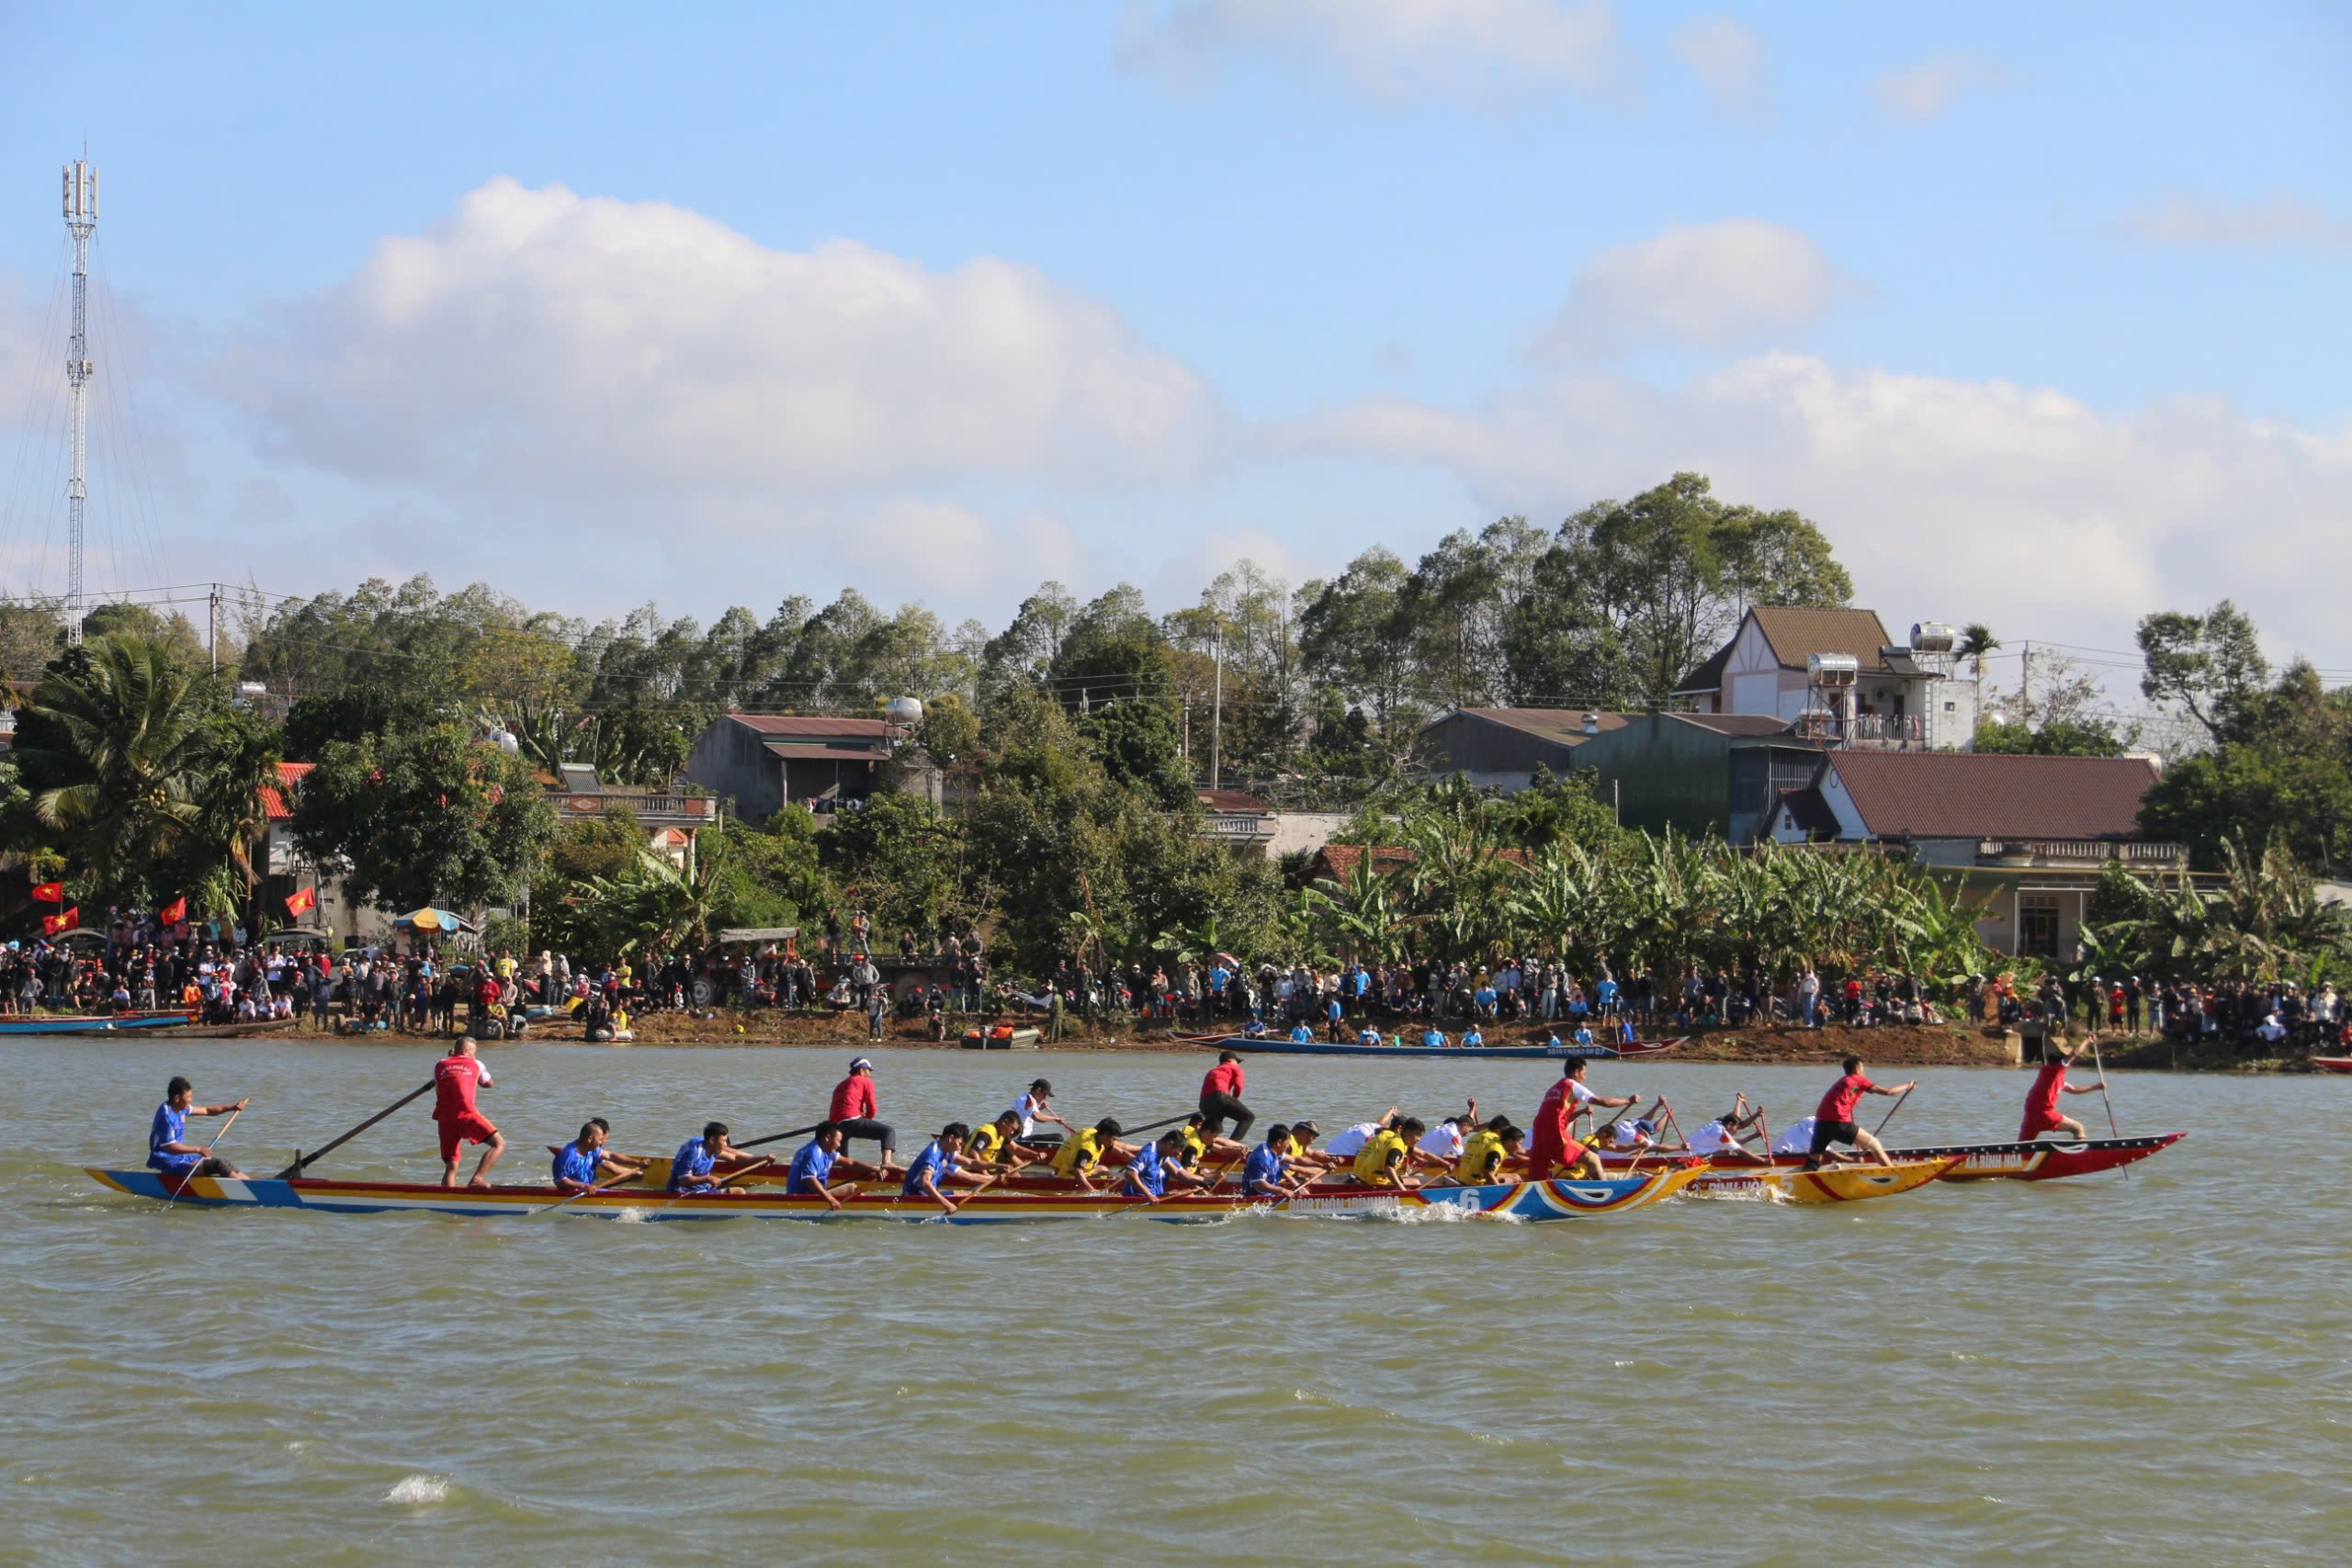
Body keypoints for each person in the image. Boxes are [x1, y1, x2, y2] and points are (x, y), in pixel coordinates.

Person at [1526, 1059, 1637, 1180]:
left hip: (1538, 1135)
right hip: (1556, 1135)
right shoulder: (1572, 1085)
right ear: (1576, 1072)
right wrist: (1627, 1101)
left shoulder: (1553, 1089)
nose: (1584, 1078)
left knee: (1537, 1178)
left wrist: (1581, 1112)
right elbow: (1602, 1101)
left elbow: (1561, 1117)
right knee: (1593, 1159)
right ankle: (1602, 1192)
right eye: (1584, 1074)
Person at [1805, 1056, 1916, 1169]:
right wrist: (1908, 1086)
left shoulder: (1843, 1081)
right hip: (1837, 1122)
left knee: (1815, 1157)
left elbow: (1844, 1096)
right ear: (1857, 1070)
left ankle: (1807, 1175)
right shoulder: (1858, 1079)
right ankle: (1892, 1172)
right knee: (1874, 1143)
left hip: (1821, 1122)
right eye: (1863, 1068)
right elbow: (1888, 1092)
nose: (1864, 1071)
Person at [433, 1036, 506, 1188]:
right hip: (466, 1114)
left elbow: (441, 1085)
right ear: (466, 1051)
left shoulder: (439, 1065)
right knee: (499, 1144)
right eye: (474, 1052)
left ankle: (446, 1200)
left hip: (444, 1118)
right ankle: (477, 1179)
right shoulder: (476, 1063)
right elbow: (488, 1084)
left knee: (451, 1167)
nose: (475, 1055)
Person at [147, 1077, 250, 1185]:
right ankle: (251, 1190)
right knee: (218, 1165)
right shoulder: (166, 1116)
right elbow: (170, 1147)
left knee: (226, 1163)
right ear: (177, 1098)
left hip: (181, 1158)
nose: (191, 1100)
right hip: (169, 1163)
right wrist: (198, 1149)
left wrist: (232, 1107)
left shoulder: (181, 1108)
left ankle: (252, 1183)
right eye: (188, 1097)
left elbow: (207, 1110)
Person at [2020, 1043, 2108, 1141]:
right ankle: (2079, 1154)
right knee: (2078, 1128)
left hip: (2030, 1117)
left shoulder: (2048, 1075)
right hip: (2046, 1114)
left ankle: (2018, 1156)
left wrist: (2096, 1087)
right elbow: (2075, 1053)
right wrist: (2088, 1040)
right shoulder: (2056, 1070)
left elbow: (2074, 1089)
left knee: (2020, 1149)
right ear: (2060, 1062)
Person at [829, 1056, 899, 1175]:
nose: (870, 1074)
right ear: (861, 1071)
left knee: (842, 1162)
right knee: (888, 1132)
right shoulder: (866, 1082)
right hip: (852, 1120)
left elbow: (835, 1109)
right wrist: (866, 1121)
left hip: (837, 1125)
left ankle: (837, 1172)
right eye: (869, 1071)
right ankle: (887, 1161)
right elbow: (872, 1108)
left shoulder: (841, 1084)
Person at [902, 1123, 987, 1214]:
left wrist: (993, 1177)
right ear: (951, 1139)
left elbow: (970, 1173)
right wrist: (947, 1204)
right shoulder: (934, 1155)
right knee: (966, 1194)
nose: (960, 1149)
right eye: (960, 1144)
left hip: (923, 1193)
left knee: (965, 1193)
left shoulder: (946, 1154)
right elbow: (925, 1183)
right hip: (916, 1197)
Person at [786, 1122, 870, 1210]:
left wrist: (874, 1169)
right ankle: (869, 1210)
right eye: (838, 1141)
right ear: (827, 1138)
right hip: (801, 1199)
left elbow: (851, 1163)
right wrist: (830, 1199)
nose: (839, 1145)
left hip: (812, 1195)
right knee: (852, 1188)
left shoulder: (826, 1151)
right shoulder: (813, 1152)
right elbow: (809, 1179)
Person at [551, 1120, 642, 1194]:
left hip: (585, 1190)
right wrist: (583, 1186)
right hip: (570, 1193)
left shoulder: (592, 1149)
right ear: (590, 1139)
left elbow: (610, 1156)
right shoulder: (567, 1155)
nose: (601, 1143)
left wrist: (637, 1163)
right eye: (599, 1139)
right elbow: (559, 1181)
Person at [1049, 1117, 1130, 1191]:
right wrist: (1092, 1190)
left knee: (1103, 1169)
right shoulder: (1087, 1149)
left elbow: (1121, 1152)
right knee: (1104, 1173)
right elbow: (1077, 1170)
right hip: (1069, 1176)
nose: (1114, 1142)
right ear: (1105, 1135)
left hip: (1063, 1166)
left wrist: (1137, 1160)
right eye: (1113, 1139)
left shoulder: (1095, 1133)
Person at [670, 1121, 749, 1193]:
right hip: (684, 1193)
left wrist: (760, 1160)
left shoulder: (713, 1147)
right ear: (712, 1140)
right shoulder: (693, 1152)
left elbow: (735, 1156)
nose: (725, 1145)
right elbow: (683, 1181)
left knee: (740, 1191)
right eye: (723, 1141)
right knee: (740, 1192)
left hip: (704, 1189)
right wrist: (708, 1179)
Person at [1350, 1116, 1426, 1189]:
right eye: (1417, 1135)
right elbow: (1389, 1169)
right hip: (1377, 1180)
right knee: (1416, 1181)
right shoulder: (1397, 1145)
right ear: (1404, 1130)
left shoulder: (1392, 1138)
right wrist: (1402, 1189)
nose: (1419, 1139)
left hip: (1366, 1175)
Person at [1121, 1130, 1190, 1203]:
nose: (1179, 1154)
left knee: (1188, 1193)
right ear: (1169, 1144)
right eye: (1177, 1151)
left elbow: (1180, 1174)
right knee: (1189, 1195)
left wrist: (1164, 1195)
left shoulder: (1165, 1156)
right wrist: (1149, 1194)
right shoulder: (1149, 1153)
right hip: (1136, 1200)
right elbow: (1130, 1173)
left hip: (1154, 1197)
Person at [1199, 1050, 1254, 1140]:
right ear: (1230, 1061)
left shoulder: (1212, 1071)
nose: (1238, 1064)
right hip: (1220, 1098)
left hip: (1204, 1104)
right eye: (1238, 1062)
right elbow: (1238, 1086)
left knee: (1213, 1129)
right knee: (1248, 1118)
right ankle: (1233, 1144)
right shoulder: (1235, 1068)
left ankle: (1207, 1146)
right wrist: (1234, 1099)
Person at [1689, 1099, 1767, 1160]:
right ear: (1729, 1125)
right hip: (1692, 1154)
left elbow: (1736, 1119)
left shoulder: (1717, 1122)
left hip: (1696, 1148)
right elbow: (1740, 1151)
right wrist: (1763, 1161)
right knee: (1727, 1151)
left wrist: (1756, 1114)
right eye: (1736, 1128)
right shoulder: (1720, 1133)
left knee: (1726, 1149)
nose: (1736, 1131)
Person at [1242, 1125, 1306, 1199]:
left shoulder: (1273, 1150)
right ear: (1279, 1142)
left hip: (1270, 1195)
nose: (1288, 1146)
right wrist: (1283, 1191)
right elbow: (1258, 1184)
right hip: (1257, 1200)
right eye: (1287, 1143)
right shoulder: (1261, 1158)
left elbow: (1294, 1160)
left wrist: (1296, 1185)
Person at [1007, 1077, 1072, 1145]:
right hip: (1019, 1139)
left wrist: (1040, 1107)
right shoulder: (1027, 1100)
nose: (1045, 1098)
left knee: (1057, 1137)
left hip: (1020, 1138)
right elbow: (1036, 1117)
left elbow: (1026, 1111)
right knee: (1058, 1138)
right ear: (1038, 1090)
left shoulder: (1025, 1097)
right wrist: (1055, 1118)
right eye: (1045, 1095)